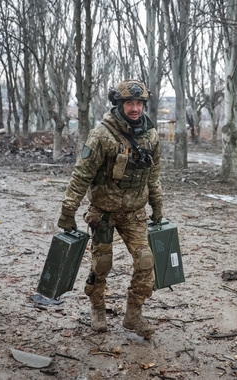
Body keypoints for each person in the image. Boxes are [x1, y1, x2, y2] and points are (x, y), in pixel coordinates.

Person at [57, 79, 163, 340]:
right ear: (119, 104)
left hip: (135, 213)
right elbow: (81, 175)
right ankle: (97, 308)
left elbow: (154, 176)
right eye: (130, 103)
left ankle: (133, 314)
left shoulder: (151, 136)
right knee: (102, 264)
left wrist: (158, 206)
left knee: (146, 261)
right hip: (103, 212)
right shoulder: (101, 135)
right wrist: (68, 210)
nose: (135, 108)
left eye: (139, 103)